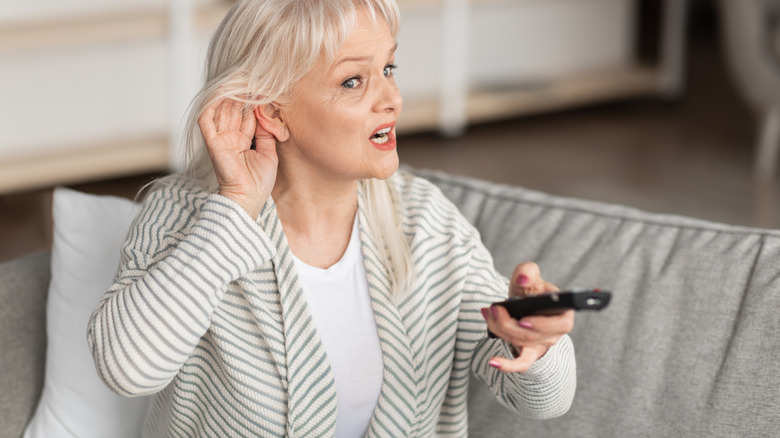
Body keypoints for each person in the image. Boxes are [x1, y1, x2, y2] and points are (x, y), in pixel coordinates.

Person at [88, 0, 577, 436]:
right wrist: (236, 205)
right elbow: (127, 370)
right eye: (353, 80)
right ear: (271, 113)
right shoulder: (186, 215)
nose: (391, 98)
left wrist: (536, 343)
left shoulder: (424, 220)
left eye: (389, 67)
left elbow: (545, 402)